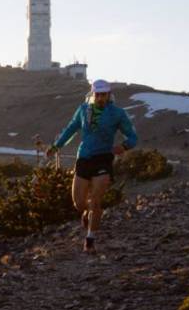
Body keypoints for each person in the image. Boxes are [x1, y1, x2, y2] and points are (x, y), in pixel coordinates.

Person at [47, 79, 138, 252]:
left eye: (104, 95)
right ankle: (85, 214)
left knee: (96, 202)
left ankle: (90, 239)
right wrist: (56, 146)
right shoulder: (83, 110)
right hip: (84, 157)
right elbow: (71, 129)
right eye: (98, 94)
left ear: (109, 95)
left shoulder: (117, 113)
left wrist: (124, 146)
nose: (101, 98)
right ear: (93, 95)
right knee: (79, 202)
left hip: (103, 158)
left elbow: (133, 136)